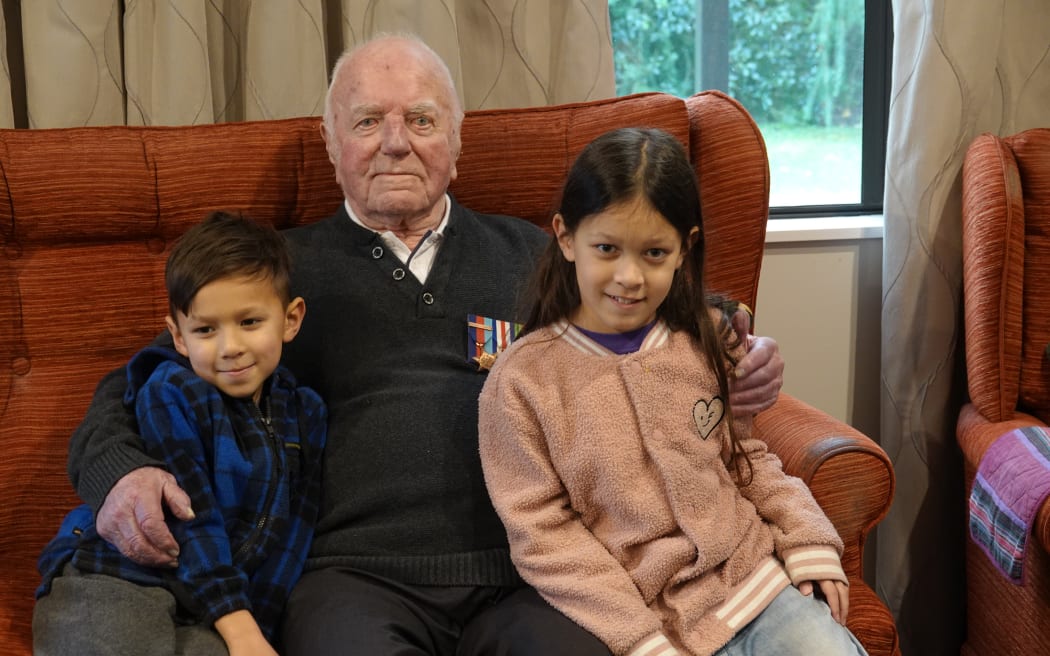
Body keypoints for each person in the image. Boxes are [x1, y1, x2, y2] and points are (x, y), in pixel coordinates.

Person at [64, 35, 784, 655]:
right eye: (368, 120)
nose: (396, 140)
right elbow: (145, 376)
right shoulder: (278, 271)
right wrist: (121, 473)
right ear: (331, 142)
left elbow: (635, 302)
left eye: (421, 118)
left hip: (530, 572)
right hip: (353, 575)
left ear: (458, 139)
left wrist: (729, 331)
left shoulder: (530, 254)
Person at [478, 127, 867, 656]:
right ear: (566, 238)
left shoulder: (705, 338)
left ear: (685, 249)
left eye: (655, 253)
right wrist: (637, 637)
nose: (629, 276)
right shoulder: (522, 382)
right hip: (639, 621)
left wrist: (808, 540)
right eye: (607, 249)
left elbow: (747, 458)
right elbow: (545, 538)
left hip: (757, 587)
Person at [34, 212, 327, 656]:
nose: (230, 347)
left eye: (250, 322)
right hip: (117, 576)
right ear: (178, 336)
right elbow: (194, 522)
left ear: (291, 319)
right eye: (206, 329)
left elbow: (293, 537)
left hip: (210, 604)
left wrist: (259, 631)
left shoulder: (306, 412)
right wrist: (240, 627)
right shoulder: (173, 391)